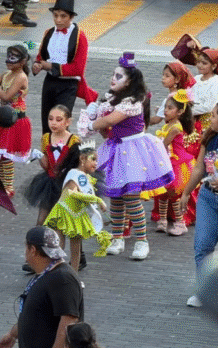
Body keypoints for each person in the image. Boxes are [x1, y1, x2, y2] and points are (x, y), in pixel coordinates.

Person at [87, 52, 173, 261]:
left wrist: (89, 122)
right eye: (113, 75)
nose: (112, 79)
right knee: (115, 197)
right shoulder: (111, 100)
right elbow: (107, 130)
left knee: (132, 199)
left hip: (133, 151)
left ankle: (142, 241)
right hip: (115, 149)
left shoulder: (133, 102)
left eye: (118, 76)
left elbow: (109, 121)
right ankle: (118, 237)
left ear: (129, 82)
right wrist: (97, 117)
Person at [0, 226, 83, 348]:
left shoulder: (63, 279)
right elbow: (35, 312)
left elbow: (69, 321)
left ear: (32, 250)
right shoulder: (45, 274)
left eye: (26, 247)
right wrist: (13, 334)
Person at [33, 0, 97, 136]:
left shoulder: (80, 37)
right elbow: (41, 56)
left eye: (63, 16)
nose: (58, 20)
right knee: (47, 122)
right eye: (55, 15)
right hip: (50, 82)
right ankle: (48, 154)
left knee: (60, 122)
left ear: (71, 17)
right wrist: (37, 64)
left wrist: (51, 66)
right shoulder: (48, 33)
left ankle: (63, 154)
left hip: (68, 85)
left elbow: (78, 69)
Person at [44, 141, 111, 270]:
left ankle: (73, 276)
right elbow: (72, 193)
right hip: (64, 212)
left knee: (76, 250)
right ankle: (53, 272)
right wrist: (97, 199)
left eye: (97, 160)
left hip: (77, 215)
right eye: (93, 159)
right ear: (82, 159)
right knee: (59, 247)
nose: (96, 163)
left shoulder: (84, 176)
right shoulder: (75, 174)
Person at [179, 103, 218, 308]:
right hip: (208, 198)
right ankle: (205, 291)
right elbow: (198, 168)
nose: (209, 119)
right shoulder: (209, 137)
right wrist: (186, 193)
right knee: (203, 246)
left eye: (213, 116)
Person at [149, 61, 197, 226]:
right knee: (168, 191)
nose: (163, 78)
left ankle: (178, 221)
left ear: (177, 79)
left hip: (174, 156)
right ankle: (165, 218)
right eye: (163, 75)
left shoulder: (174, 99)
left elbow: (157, 121)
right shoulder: (174, 98)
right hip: (171, 154)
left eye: (167, 76)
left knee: (173, 190)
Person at [0, 44, 32, 197]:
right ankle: (2, 184)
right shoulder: (7, 74)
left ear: (22, 62)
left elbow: (6, 96)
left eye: (13, 58)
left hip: (15, 120)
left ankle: (8, 186)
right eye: (8, 57)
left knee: (6, 156)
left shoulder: (21, 77)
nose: (9, 61)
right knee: (0, 156)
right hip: (2, 118)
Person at [25, 104, 80, 226]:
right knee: (42, 219)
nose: (53, 123)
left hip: (66, 183)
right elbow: (46, 166)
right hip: (49, 183)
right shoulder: (46, 138)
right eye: (50, 119)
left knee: (62, 222)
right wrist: (39, 156)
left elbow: (76, 165)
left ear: (68, 122)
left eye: (58, 120)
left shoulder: (73, 140)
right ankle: (39, 241)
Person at [153, 90, 195, 236]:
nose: (165, 111)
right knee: (164, 193)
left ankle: (180, 222)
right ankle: (163, 220)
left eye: (170, 108)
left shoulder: (175, 128)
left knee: (173, 194)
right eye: (166, 107)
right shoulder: (170, 124)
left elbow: (163, 145)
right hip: (168, 161)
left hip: (176, 163)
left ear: (180, 112)